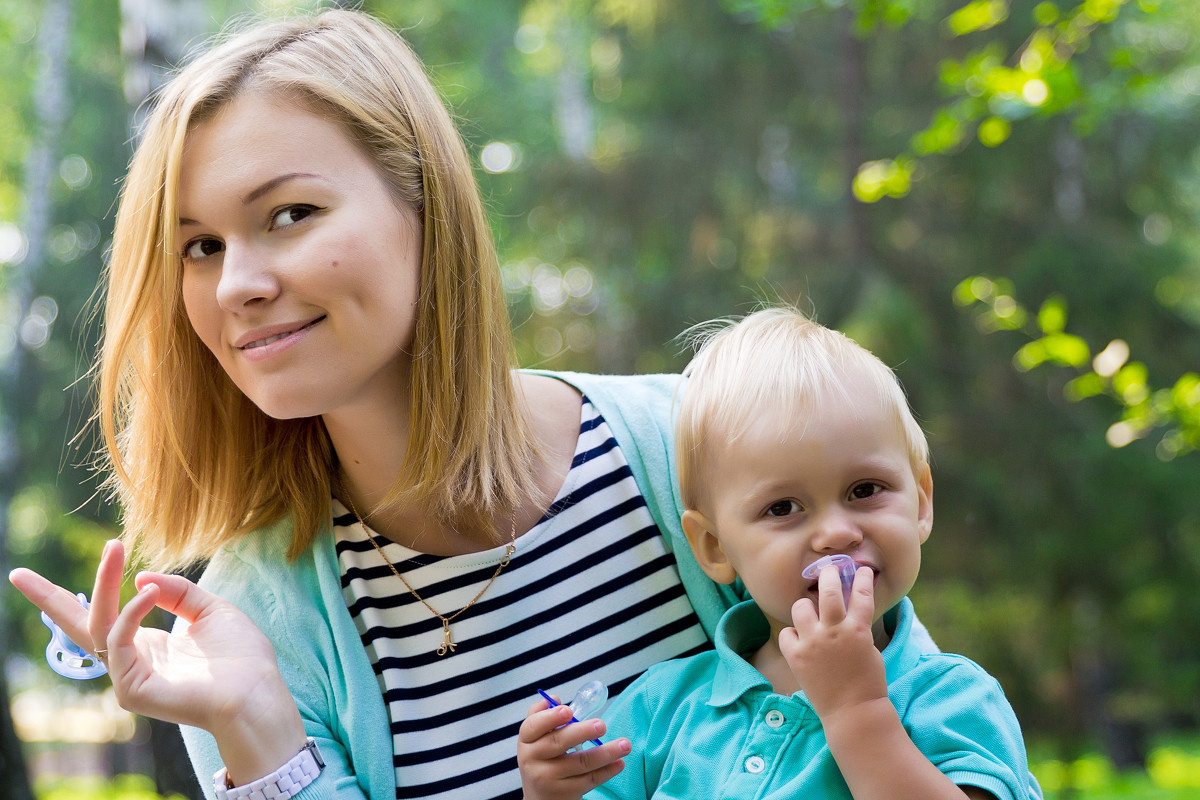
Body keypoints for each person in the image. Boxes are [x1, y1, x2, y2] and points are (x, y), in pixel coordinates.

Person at [5, 8, 761, 800]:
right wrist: (262, 734)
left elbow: (893, 724)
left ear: (425, 205)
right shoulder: (250, 622)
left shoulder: (698, 446)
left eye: (291, 214)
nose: (236, 286)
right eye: (202, 247)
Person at [517, 307, 1042, 800]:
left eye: (864, 490)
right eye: (784, 507)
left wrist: (856, 710)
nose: (836, 534)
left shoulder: (951, 699)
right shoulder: (663, 710)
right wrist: (552, 792)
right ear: (714, 548)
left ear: (921, 502)